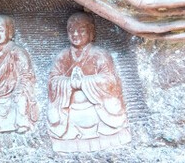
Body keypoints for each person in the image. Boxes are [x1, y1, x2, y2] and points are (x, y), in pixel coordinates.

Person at [48, 13, 130, 153]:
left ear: (91, 32)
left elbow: (110, 80)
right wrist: (70, 83)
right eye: (71, 30)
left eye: (81, 30)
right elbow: (53, 81)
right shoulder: (62, 56)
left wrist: (84, 82)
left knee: (112, 107)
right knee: (56, 113)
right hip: (71, 106)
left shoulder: (100, 54)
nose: (75, 34)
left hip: (97, 106)